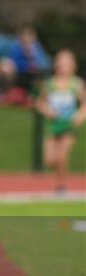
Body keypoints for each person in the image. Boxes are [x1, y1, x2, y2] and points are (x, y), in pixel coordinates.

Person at [36, 50, 85, 192]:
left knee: (62, 156)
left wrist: (80, 116)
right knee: (50, 160)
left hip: (69, 125)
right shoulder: (49, 84)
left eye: (67, 63)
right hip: (52, 125)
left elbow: (84, 104)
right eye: (61, 62)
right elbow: (40, 102)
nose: (64, 66)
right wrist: (48, 111)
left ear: (73, 65)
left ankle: (61, 185)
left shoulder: (77, 84)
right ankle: (59, 177)